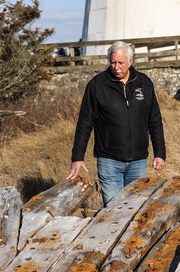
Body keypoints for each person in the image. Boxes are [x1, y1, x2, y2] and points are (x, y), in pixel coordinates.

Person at [66, 41, 166, 205]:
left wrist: (160, 153)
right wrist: (77, 157)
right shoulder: (97, 85)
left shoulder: (144, 83)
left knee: (135, 208)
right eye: (113, 62)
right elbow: (85, 123)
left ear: (130, 61)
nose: (116, 67)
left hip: (138, 161)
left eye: (120, 62)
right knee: (113, 210)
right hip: (109, 161)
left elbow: (154, 120)